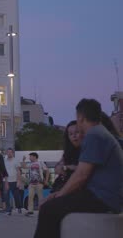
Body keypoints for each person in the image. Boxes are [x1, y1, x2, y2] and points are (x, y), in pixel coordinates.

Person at [34, 99, 123, 238]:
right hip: (106, 196)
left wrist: (59, 195)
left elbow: (81, 175)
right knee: (53, 205)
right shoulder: (101, 133)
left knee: (48, 209)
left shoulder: (94, 135)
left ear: (80, 117)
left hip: (103, 198)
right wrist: (58, 195)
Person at [52, 121, 81, 193]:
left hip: (75, 188)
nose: (74, 136)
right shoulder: (68, 152)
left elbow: (83, 169)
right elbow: (57, 168)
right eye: (70, 134)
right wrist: (59, 167)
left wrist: (67, 167)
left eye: (77, 132)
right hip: (61, 185)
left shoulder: (87, 150)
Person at [3, 148, 23, 215]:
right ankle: (8, 210)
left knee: (16, 196)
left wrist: (18, 181)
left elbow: (18, 171)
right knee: (6, 196)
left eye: (10, 152)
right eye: (8, 152)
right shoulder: (4, 160)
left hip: (14, 181)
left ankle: (19, 207)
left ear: (13, 153)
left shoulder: (16, 160)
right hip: (6, 181)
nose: (9, 153)